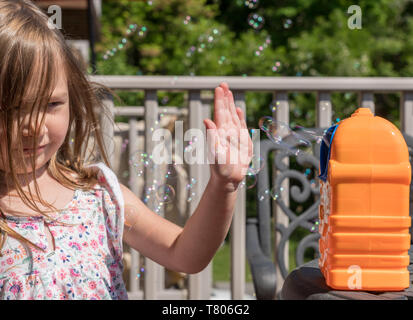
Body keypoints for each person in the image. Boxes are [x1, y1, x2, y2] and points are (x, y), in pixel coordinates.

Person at [0, 0, 252, 299]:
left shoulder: (99, 194)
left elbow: (185, 254)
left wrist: (224, 185)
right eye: (12, 108)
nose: (34, 127)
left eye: (52, 104)